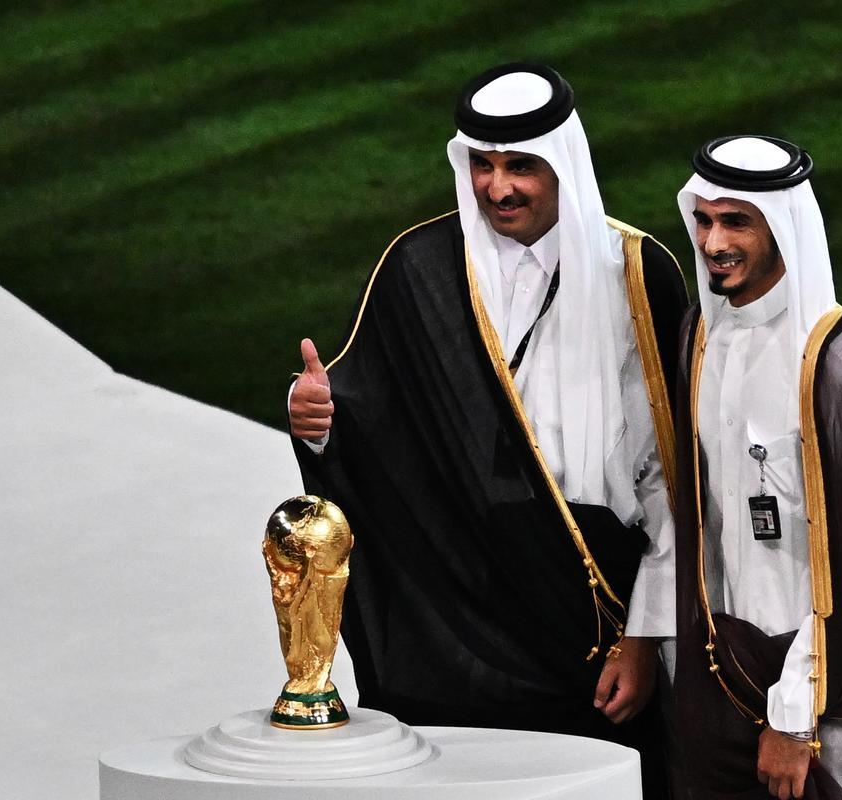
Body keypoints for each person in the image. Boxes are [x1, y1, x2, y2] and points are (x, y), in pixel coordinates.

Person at [287, 63, 686, 794]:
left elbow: (672, 481)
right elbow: (370, 433)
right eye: (482, 164)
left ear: (562, 164)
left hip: (592, 615)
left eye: (520, 167)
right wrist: (314, 423)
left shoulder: (639, 275)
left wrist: (646, 637)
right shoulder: (420, 268)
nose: (497, 188)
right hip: (459, 606)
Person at [670, 135, 842, 800]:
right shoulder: (699, 339)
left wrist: (793, 718)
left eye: (736, 222)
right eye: (703, 219)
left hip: (810, 688)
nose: (712, 241)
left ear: (782, 227)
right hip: (716, 674)